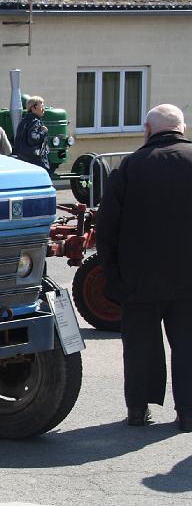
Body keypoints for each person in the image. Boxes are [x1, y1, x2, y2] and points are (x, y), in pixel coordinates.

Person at [96, 104, 192, 433]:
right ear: (182, 129)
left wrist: (112, 274)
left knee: (139, 346)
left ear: (148, 131)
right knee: (188, 344)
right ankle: (188, 413)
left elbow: (106, 227)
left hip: (138, 277)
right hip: (188, 278)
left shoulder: (129, 167)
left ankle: (138, 410)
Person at [13, 96, 50, 171]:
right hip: (35, 161)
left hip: (23, 159)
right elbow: (33, 139)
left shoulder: (23, 122)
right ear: (33, 108)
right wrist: (43, 131)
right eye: (41, 106)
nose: (44, 109)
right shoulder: (35, 121)